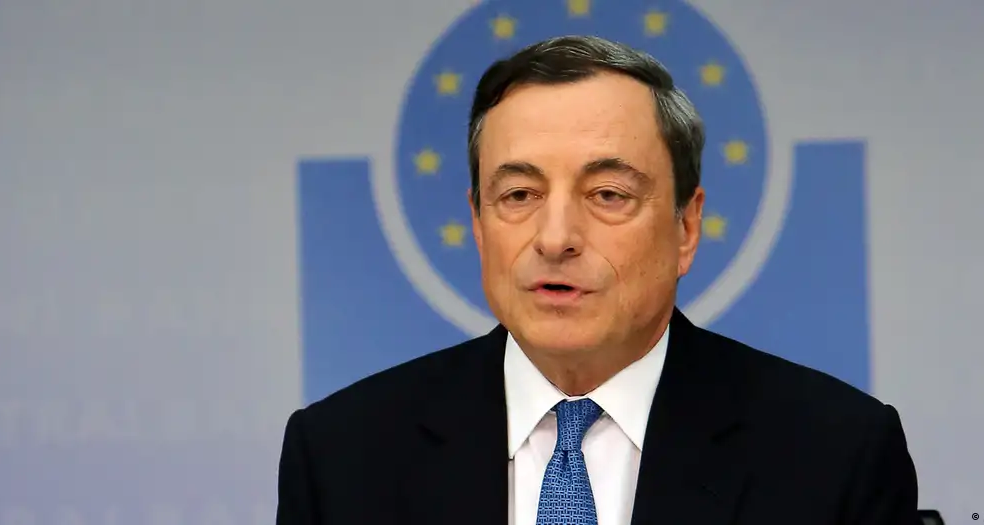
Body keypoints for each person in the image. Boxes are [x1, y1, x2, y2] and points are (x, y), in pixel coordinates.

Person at [276, 35, 921, 525]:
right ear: (477, 223)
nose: (555, 237)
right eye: (519, 194)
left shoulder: (836, 455)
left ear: (686, 227)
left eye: (608, 194)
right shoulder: (340, 458)